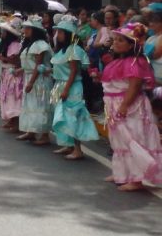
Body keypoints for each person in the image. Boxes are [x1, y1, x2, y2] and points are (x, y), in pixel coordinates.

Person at [98, 23, 162, 191]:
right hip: (114, 105)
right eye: (116, 40)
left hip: (129, 106)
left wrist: (125, 105)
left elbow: (134, 86)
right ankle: (121, 173)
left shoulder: (135, 62)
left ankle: (136, 179)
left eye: (121, 40)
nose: (116, 43)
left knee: (132, 138)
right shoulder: (118, 61)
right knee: (118, 141)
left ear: (131, 44)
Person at [50, 15, 98, 160]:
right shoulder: (62, 51)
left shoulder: (74, 50)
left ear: (69, 34)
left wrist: (66, 89)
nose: (58, 35)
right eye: (58, 32)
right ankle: (68, 145)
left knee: (73, 117)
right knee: (62, 117)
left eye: (62, 32)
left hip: (71, 87)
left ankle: (78, 149)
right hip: (60, 84)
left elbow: (73, 72)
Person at [18, 16, 53, 145]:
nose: (25, 30)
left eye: (28, 28)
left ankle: (44, 135)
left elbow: (38, 65)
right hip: (30, 76)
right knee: (30, 105)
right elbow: (29, 64)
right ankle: (31, 131)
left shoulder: (41, 45)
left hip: (39, 80)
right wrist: (19, 71)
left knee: (41, 105)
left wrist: (31, 82)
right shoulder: (29, 44)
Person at [0, 18, 25, 132]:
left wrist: (1, 57)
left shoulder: (14, 45)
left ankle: (15, 122)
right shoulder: (7, 44)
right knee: (7, 97)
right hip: (6, 73)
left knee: (13, 97)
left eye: (4, 31)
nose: (2, 33)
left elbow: (15, 61)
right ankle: (11, 120)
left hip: (13, 74)